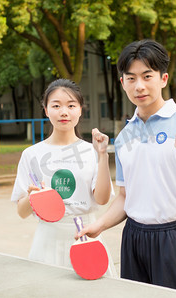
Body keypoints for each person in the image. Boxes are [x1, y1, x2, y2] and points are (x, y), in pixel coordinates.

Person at [76, 39, 176, 295]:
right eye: (131, 78)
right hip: (133, 237)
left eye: (147, 76)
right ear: (122, 83)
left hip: (175, 238)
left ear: (163, 78)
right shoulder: (124, 138)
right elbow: (124, 196)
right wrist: (99, 225)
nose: (139, 86)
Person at [11, 78, 116, 277]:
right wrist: (31, 198)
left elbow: (102, 199)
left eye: (71, 105)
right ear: (46, 109)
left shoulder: (92, 151)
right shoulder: (31, 155)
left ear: (80, 109)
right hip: (47, 240)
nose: (64, 112)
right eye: (56, 105)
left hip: (86, 238)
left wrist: (103, 156)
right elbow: (21, 212)